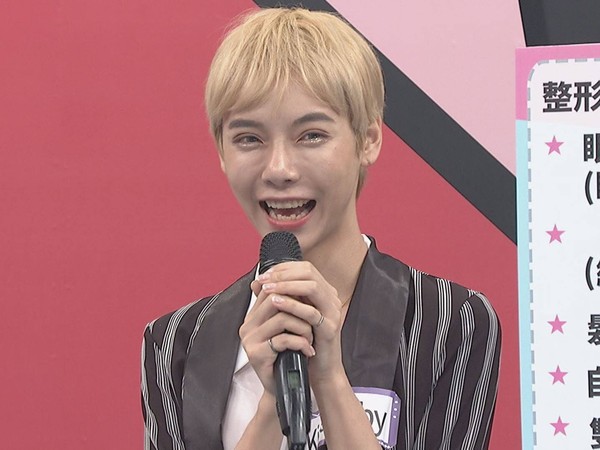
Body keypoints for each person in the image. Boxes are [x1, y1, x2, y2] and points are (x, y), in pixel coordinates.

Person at [141, 7, 501, 450]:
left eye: (310, 135)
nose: (279, 169)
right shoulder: (175, 343)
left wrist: (329, 379)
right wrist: (273, 403)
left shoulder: (449, 322)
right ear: (221, 151)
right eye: (249, 138)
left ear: (368, 139)